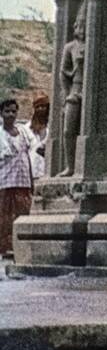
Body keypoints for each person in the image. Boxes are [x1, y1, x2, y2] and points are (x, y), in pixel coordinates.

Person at [0, 98, 36, 259]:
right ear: (1, 113)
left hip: (22, 181)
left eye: (14, 111)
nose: (11, 114)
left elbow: (27, 157)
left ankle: (22, 249)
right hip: (5, 182)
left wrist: (31, 180)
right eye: (7, 111)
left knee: (23, 214)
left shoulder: (23, 132)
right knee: (5, 217)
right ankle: (5, 249)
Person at [23, 95, 50, 181]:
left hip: (47, 172)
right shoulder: (26, 128)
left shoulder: (53, 128)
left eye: (43, 106)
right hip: (31, 172)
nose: (41, 109)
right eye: (38, 107)